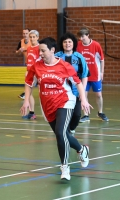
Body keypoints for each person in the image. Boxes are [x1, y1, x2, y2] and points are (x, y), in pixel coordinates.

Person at [20, 37, 92, 180]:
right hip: (47, 105)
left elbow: (78, 83)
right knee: (63, 135)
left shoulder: (64, 66)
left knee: (60, 133)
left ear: (52, 50)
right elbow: (29, 83)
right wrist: (26, 101)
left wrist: (83, 99)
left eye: (43, 51)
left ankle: (65, 167)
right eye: (39, 51)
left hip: (65, 101)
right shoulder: (37, 66)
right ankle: (82, 149)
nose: (40, 53)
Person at [55, 32, 89, 135]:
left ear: (73, 43)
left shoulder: (79, 57)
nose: (67, 44)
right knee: (62, 113)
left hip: (75, 92)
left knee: (77, 114)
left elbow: (85, 75)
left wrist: (82, 91)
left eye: (69, 41)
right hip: (61, 93)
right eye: (65, 42)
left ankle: (71, 129)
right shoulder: (57, 57)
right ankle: (64, 131)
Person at [76, 27, 109, 122]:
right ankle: (86, 115)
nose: (81, 39)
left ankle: (100, 112)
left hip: (95, 75)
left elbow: (102, 60)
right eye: (79, 37)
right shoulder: (78, 45)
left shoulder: (96, 45)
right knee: (83, 95)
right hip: (84, 75)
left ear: (88, 35)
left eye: (82, 37)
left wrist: (102, 72)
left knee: (98, 95)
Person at [22, 30, 40, 120]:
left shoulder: (39, 48)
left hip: (38, 73)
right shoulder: (28, 48)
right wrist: (27, 70)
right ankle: (32, 112)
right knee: (29, 93)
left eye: (34, 37)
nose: (32, 39)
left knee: (43, 94)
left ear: (37, 37)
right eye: (31, 37)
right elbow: (29, 61)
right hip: (30, 73)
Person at [16, 28, 32, 100]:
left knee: (28, 77)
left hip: (35, 63)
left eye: (26, 33)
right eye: (24, 33)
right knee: (28, 78)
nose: (25, 35)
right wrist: (20, 50)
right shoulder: (21, 42)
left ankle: (26, 93)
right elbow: (17, 53)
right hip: (28, 63)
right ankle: (26, 93)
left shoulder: (33, 41)